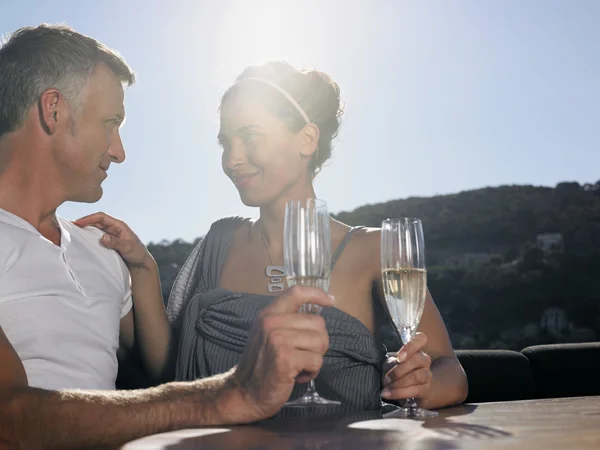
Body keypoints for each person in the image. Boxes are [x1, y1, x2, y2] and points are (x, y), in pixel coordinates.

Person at [0, 24, 333, 449]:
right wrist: (226, 397)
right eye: (110, 122)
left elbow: (161, 373)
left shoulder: (102, 253)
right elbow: (8, 421)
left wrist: (142, 268)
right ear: (54, 110)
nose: (120, 151)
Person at [94, 61, 467, 416]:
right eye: (225, 143)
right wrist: (143, 267)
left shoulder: (373, 248)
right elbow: (170, 370)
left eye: (250, 136)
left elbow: (451, 370)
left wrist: (421, 384)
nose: (232, 159)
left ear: (306, 140)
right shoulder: (219, 241)